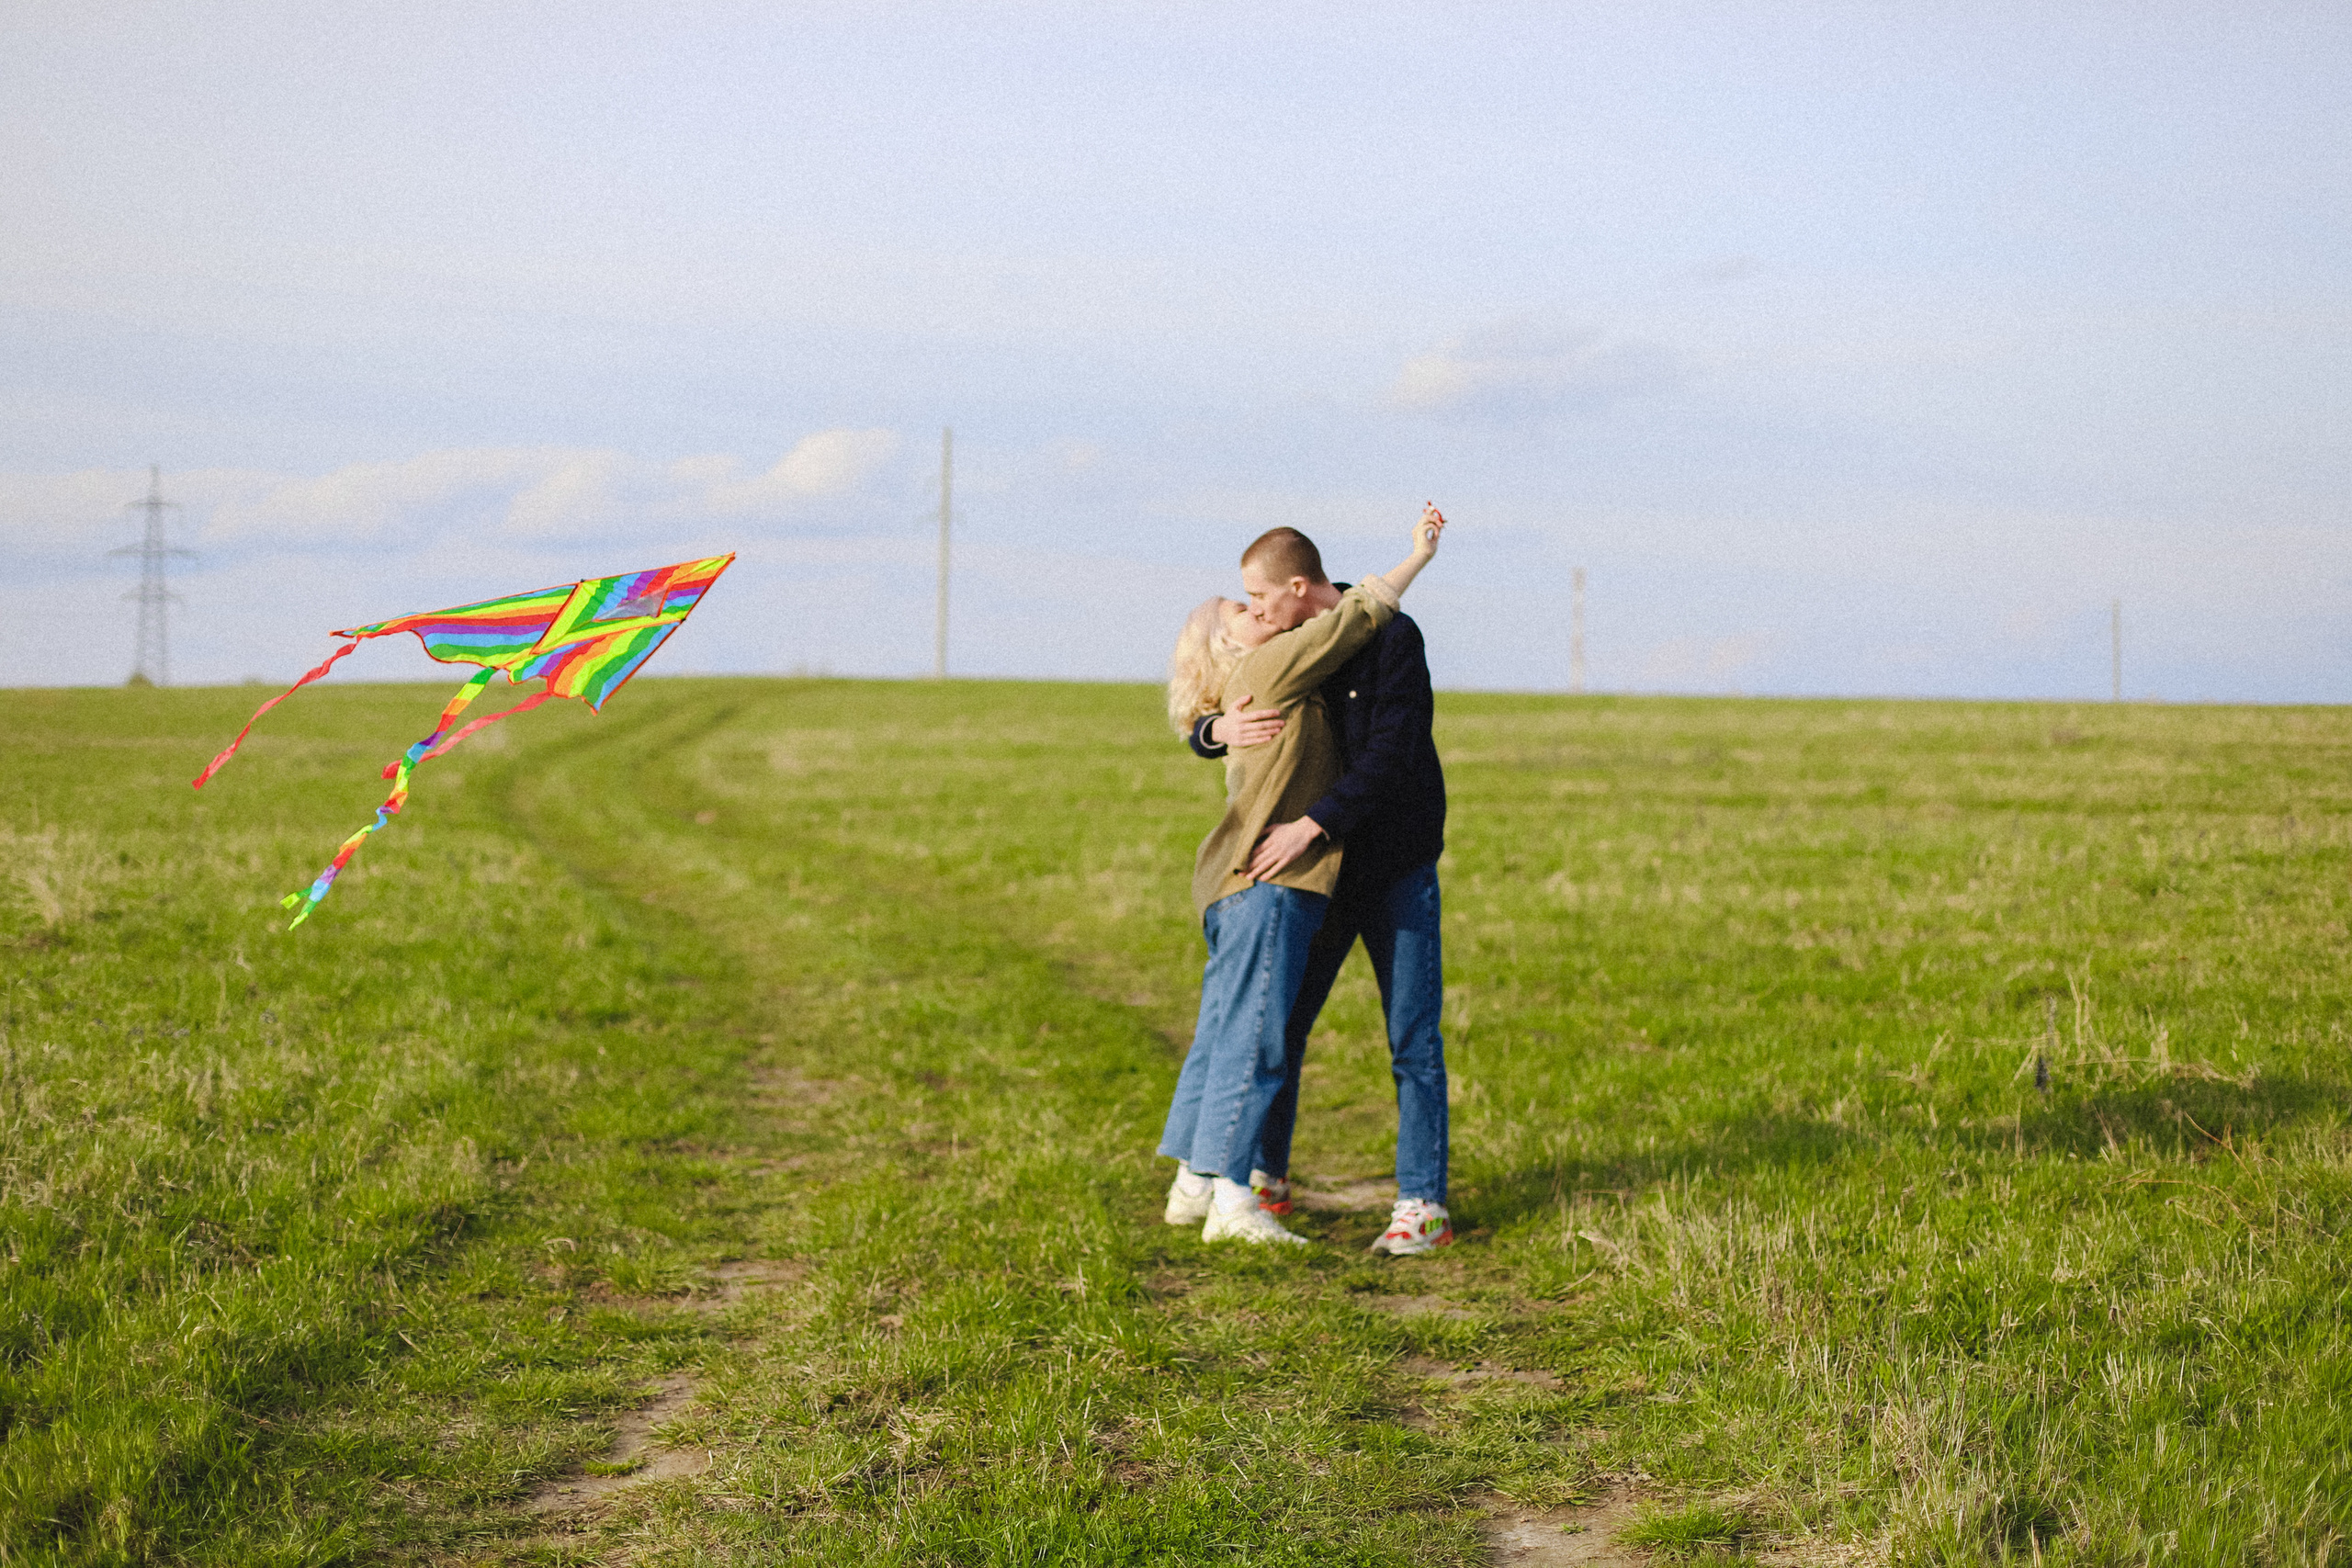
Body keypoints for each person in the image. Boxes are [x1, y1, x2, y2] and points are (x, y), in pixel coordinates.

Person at [1156, 506, 1445, 1246]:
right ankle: (1251, 1185)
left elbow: (1391, 753)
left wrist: (1311, 819)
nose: (1255, 611)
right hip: (1301, 872)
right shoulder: (1285, 650)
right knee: (1271, 1029)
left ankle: (1420, 1202)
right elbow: (1227, 697)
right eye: (1243, 609)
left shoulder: (1382, 638)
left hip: (1380, 862)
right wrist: (1211, 730)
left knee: (1405, 1038)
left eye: (1258, 600)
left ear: (1294, 588)